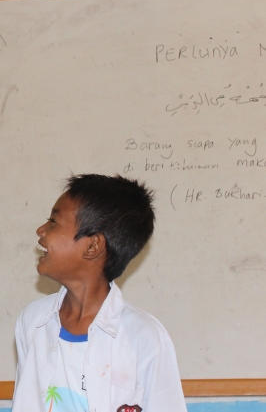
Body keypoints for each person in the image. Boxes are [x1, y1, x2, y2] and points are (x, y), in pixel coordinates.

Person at [13, 174, 186, 412]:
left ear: (93, 246)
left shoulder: (144, 337)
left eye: (53, 221)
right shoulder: (33, 322)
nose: (41, 230)